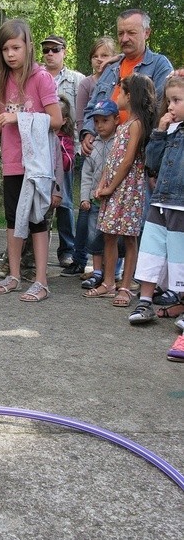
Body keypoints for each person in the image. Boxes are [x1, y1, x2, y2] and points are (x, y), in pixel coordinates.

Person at [0, 19, 62, 301]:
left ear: (28, 46)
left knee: (38, 221)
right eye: (5, 49)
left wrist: (20, 117)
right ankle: (14, 275)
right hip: (12, 162)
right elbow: (0, 122)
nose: (10, 54)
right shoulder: (4, 80)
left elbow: (57, 120)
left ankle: (41, 280)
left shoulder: (42, 78)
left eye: (16, 47)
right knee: (13, 219)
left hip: (36, 164)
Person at [83, 73, 156, 306]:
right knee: (109, 235)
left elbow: (127, 161)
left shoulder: (136, 125)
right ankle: (108, 283)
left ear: (130, 96)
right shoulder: (123, 125)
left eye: (120, 91)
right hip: (113, 190)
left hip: (128, 191)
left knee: (129, 237)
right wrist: (103, 182)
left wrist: (111, 186)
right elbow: (113, 158)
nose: (117, 95)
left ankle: (125, 286)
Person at [127, 73, 184, 362]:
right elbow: (152, 163)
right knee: (150, 253)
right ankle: (145, 301)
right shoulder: (169, 131)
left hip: (181, 207)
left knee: (179, 258)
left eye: (177, 100)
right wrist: (160, 133)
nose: (170, 106)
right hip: (160, 203)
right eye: (168, 100)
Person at [81, 8, 173, 157]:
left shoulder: (159, 65)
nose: (124, 39)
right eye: (120, 33)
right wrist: (88, 131)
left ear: (147, 33)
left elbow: (160, 110)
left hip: (139, 152)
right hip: (103, 148)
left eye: (131, 33)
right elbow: (92, 106)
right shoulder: (110, 69)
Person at [62, 36, 118, 278]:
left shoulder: (118, 79)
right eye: (96, 56)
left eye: (104, 55)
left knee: (112, 217)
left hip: (114, 146)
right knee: (86, 212)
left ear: (113, 57)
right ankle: (80, 259)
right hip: (92, 145)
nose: (99, 60)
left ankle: (112, 269)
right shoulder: (86, 83)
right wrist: (85, 135)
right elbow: (82, 114)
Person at [41, 34, 85, 269]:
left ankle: (67, 249)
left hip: (66, 150)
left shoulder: (77, 79)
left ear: (64, 51)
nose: (49, 53)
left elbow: (83, 113)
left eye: (54, 49)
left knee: (65, 201)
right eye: (46, 49)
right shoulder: (36, 77)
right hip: (41, 149)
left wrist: (78, 146)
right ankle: (30, 247)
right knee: (37, 201)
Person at [78, 100, 119, 290]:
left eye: (105, 120)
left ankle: (115, 271)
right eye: (96, 121)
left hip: (116, 199)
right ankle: (96, 272)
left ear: (116, 120)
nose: (100, 125)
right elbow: (86, 174)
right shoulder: (92, 145)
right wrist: (84, 197)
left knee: (115, 236)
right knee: (94, 235)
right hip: (96, 199)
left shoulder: (120, 142)